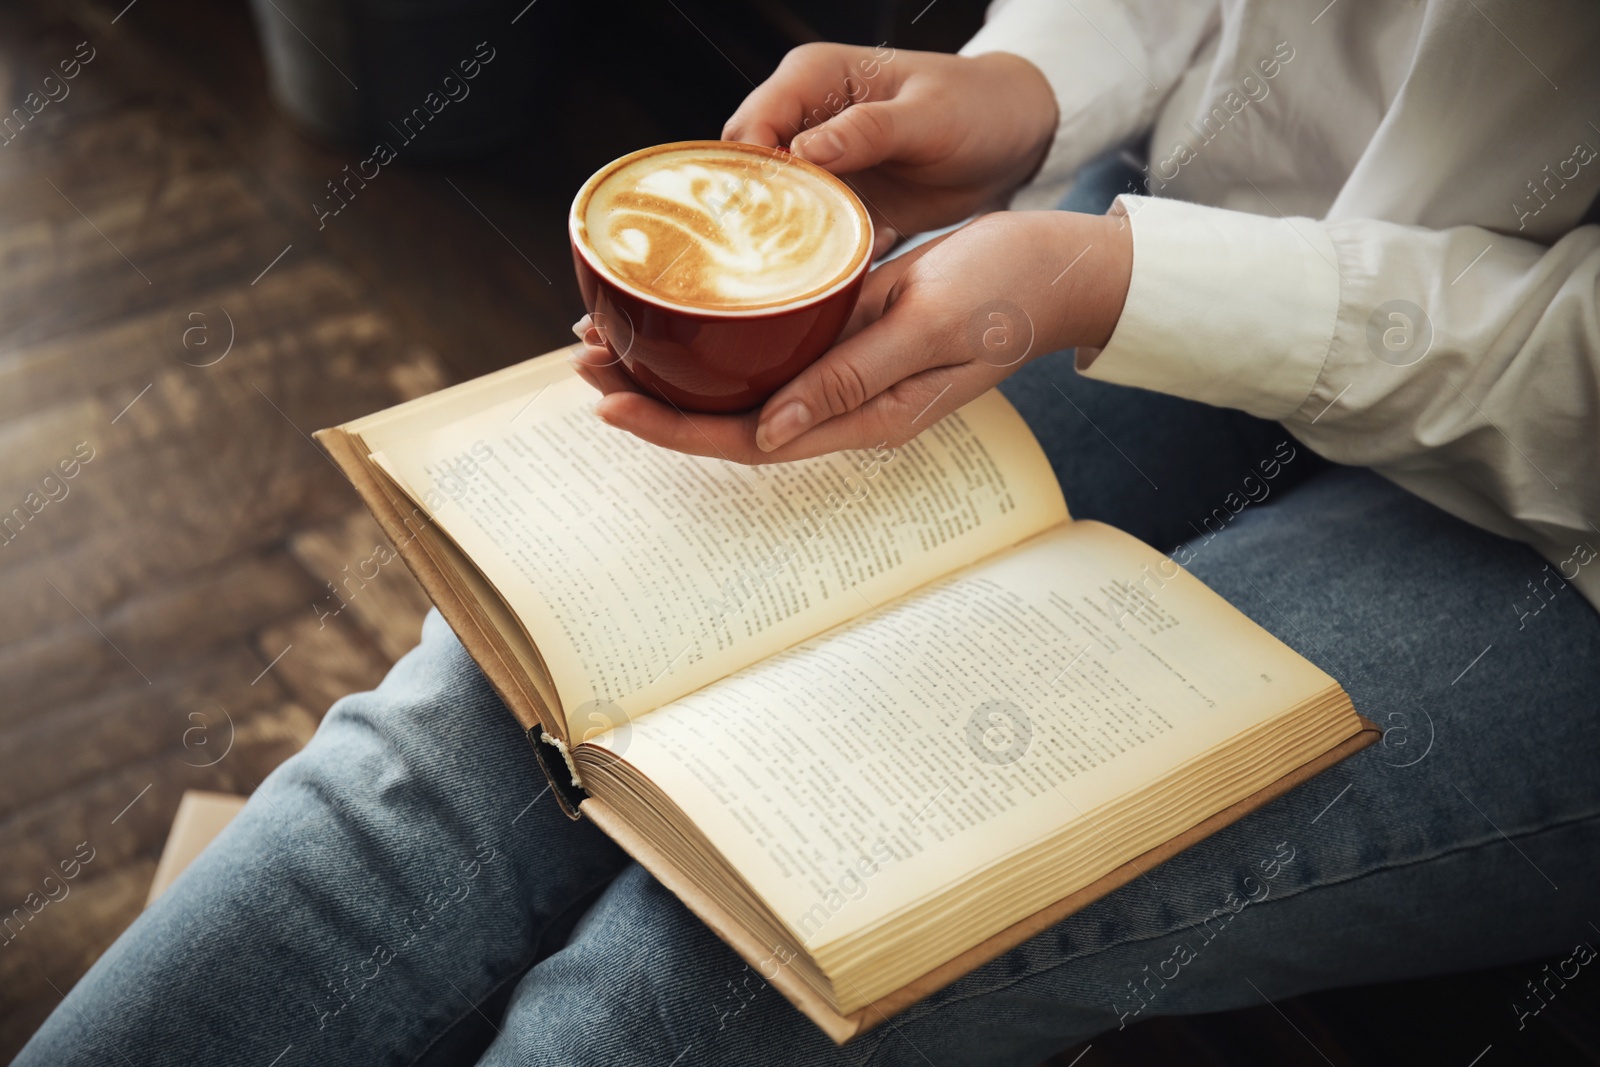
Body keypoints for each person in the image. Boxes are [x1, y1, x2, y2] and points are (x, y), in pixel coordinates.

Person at [19, 2, 1600, 1064]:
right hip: (1196, 222)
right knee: (467, 738)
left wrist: (1108, 286)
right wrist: (1043, 81)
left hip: (1564, 536)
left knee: (714, 961)